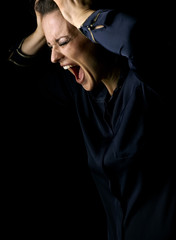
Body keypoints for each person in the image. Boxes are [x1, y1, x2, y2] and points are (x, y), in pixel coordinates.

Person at [7, 0, 176, 239]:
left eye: (63, 42)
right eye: (49, 45)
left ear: (95, 34)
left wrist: (85, 16)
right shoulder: (81, 93)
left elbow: (139, 41)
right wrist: (39, 32)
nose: (54, 57)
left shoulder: (149, 85)